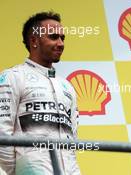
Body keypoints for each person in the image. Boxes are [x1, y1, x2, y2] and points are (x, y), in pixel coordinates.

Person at [0, 11, 81, 175]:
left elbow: (72, 137)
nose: (60, 43)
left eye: (62, 38)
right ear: (34, 40)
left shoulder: (67, 86)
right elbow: (2, 131)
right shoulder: (12, 77)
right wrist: (19, 169)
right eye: (53, 37)